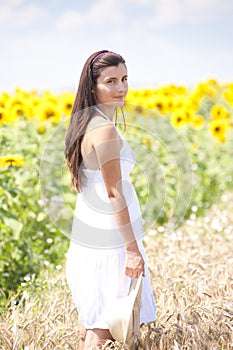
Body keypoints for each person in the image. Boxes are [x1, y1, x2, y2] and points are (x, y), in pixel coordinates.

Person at [64, 50, 156, 349]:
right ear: (93, 87)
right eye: (111, 81)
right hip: (111, 242)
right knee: (106, 329)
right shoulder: (103, 130)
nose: (121, 88)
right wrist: (131, 249)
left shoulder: (86, 123)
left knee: (96, 325)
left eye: (125, 79)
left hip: (92, 235)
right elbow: (114, 193)